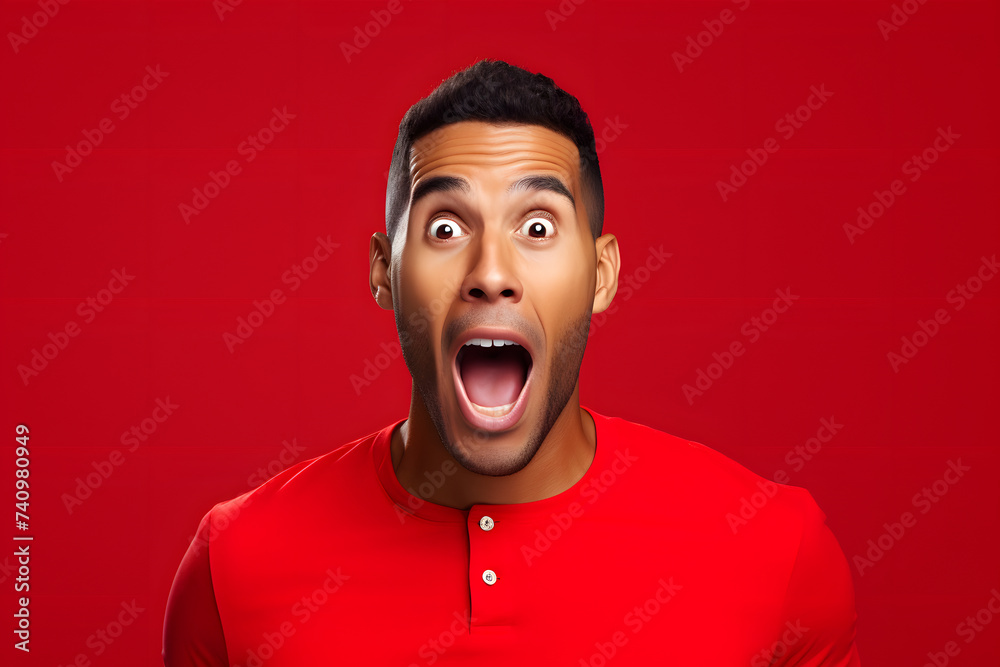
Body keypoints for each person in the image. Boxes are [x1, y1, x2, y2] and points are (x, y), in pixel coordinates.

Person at [163, 58, 861, 666]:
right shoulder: (236, 565)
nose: (491, 273)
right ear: (384, 272)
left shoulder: (774, 550)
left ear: (601, 274)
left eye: (537, 226)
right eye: (445, 227)